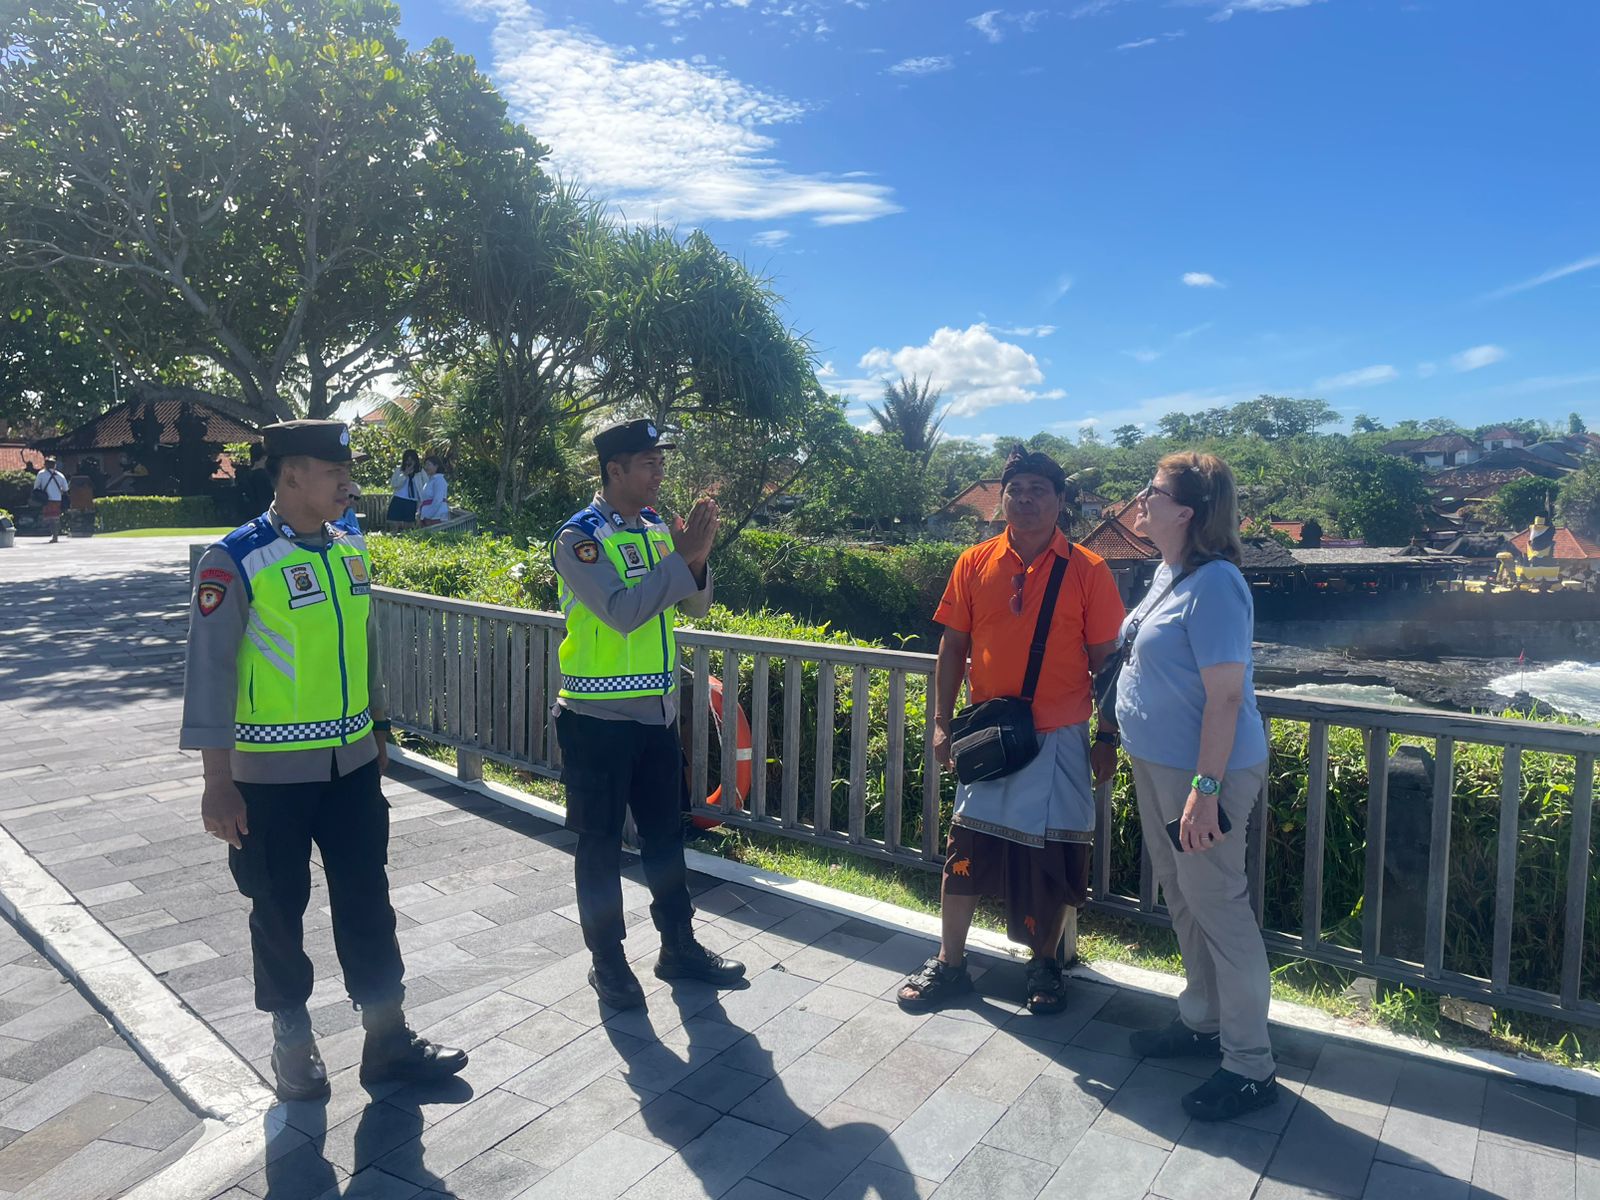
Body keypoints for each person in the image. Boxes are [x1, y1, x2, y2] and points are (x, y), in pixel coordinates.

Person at [180, 419, 467, 1102]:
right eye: (335, 472)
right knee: (277, 909)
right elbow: (210, 672)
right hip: (267, 775)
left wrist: (378, 728)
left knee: (368, 900)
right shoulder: (236, 559)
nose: (349, 484)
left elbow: (362, 646)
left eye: (349, 471)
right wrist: (217, 782)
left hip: (350, 768)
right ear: (290, 475)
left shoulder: (349, 547)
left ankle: (387, 1040)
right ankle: (292, 1039)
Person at [897, 448, 1125, 1015]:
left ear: (1061, 501)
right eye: (1015, 490)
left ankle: (1044, 964)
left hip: (1061, 736)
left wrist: (1107, 736)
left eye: (1038, 491)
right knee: (966, 847)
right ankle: (950, 963)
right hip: (990, 735)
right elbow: (953, 646)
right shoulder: (974, 562)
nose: (1024, 500)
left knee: (1053, 853)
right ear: (1001, 499)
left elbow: (1108, 663)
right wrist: (941, 723)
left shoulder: (1089, 571)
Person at [550, 417, 745, 1009]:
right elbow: (623, 612)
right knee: (600, 844)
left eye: (662, 462)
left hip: (657, 716)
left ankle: (677, 945)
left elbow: (696, 606)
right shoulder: (578, 538)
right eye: (648, 463)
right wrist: (680, 559)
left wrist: (697, 559)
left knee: (665, 836)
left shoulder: (658, 528)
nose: (660, 472)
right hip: (597, 720)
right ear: (615, 470)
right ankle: (607, 961)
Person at [1111, 451, 1277, 1121]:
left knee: (1220, 908)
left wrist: (1205, 791)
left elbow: (1226, 696)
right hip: (1159, 763)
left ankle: (1250, 1065)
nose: (1140, 500)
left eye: (1151, 491)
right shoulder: (1168, 573)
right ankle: (1204, 1018)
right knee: (1184, 897)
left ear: (1185, 511)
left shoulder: (1217, 586)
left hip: (1205, 773)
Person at [33, 457, 69, 543]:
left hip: (46, 499)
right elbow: (65, 489)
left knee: (50, 518)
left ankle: (54, 535)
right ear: (55, 465)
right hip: (57, 499)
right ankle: (55, 535)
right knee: (55, 518)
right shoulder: (60, 475)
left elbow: (36, 487)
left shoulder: (41, 474)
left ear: (45, 465)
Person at [386, 449, 426, 525]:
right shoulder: (399, 470)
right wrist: (404, 474)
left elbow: (426, 484)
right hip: (398, 498)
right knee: (394, 523)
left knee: (408, 524)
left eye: (411, 460)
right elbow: (394, 485)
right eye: (407, 460)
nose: (409, 462)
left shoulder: (420, 472)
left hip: (412, 501)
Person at [237, 443, 274, 522]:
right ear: (264, 457)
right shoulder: (265, 477)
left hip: (250, 514)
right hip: (265, 514)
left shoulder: (245, 475)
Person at [416, 455, 448, 526]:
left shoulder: (439, 480)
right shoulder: (429, 481)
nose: (426, 467)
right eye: (425, 465)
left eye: (428, 465)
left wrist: (428, 515)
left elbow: (438, 500)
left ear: (436, 466)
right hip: (427, 515)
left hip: (437, 516)